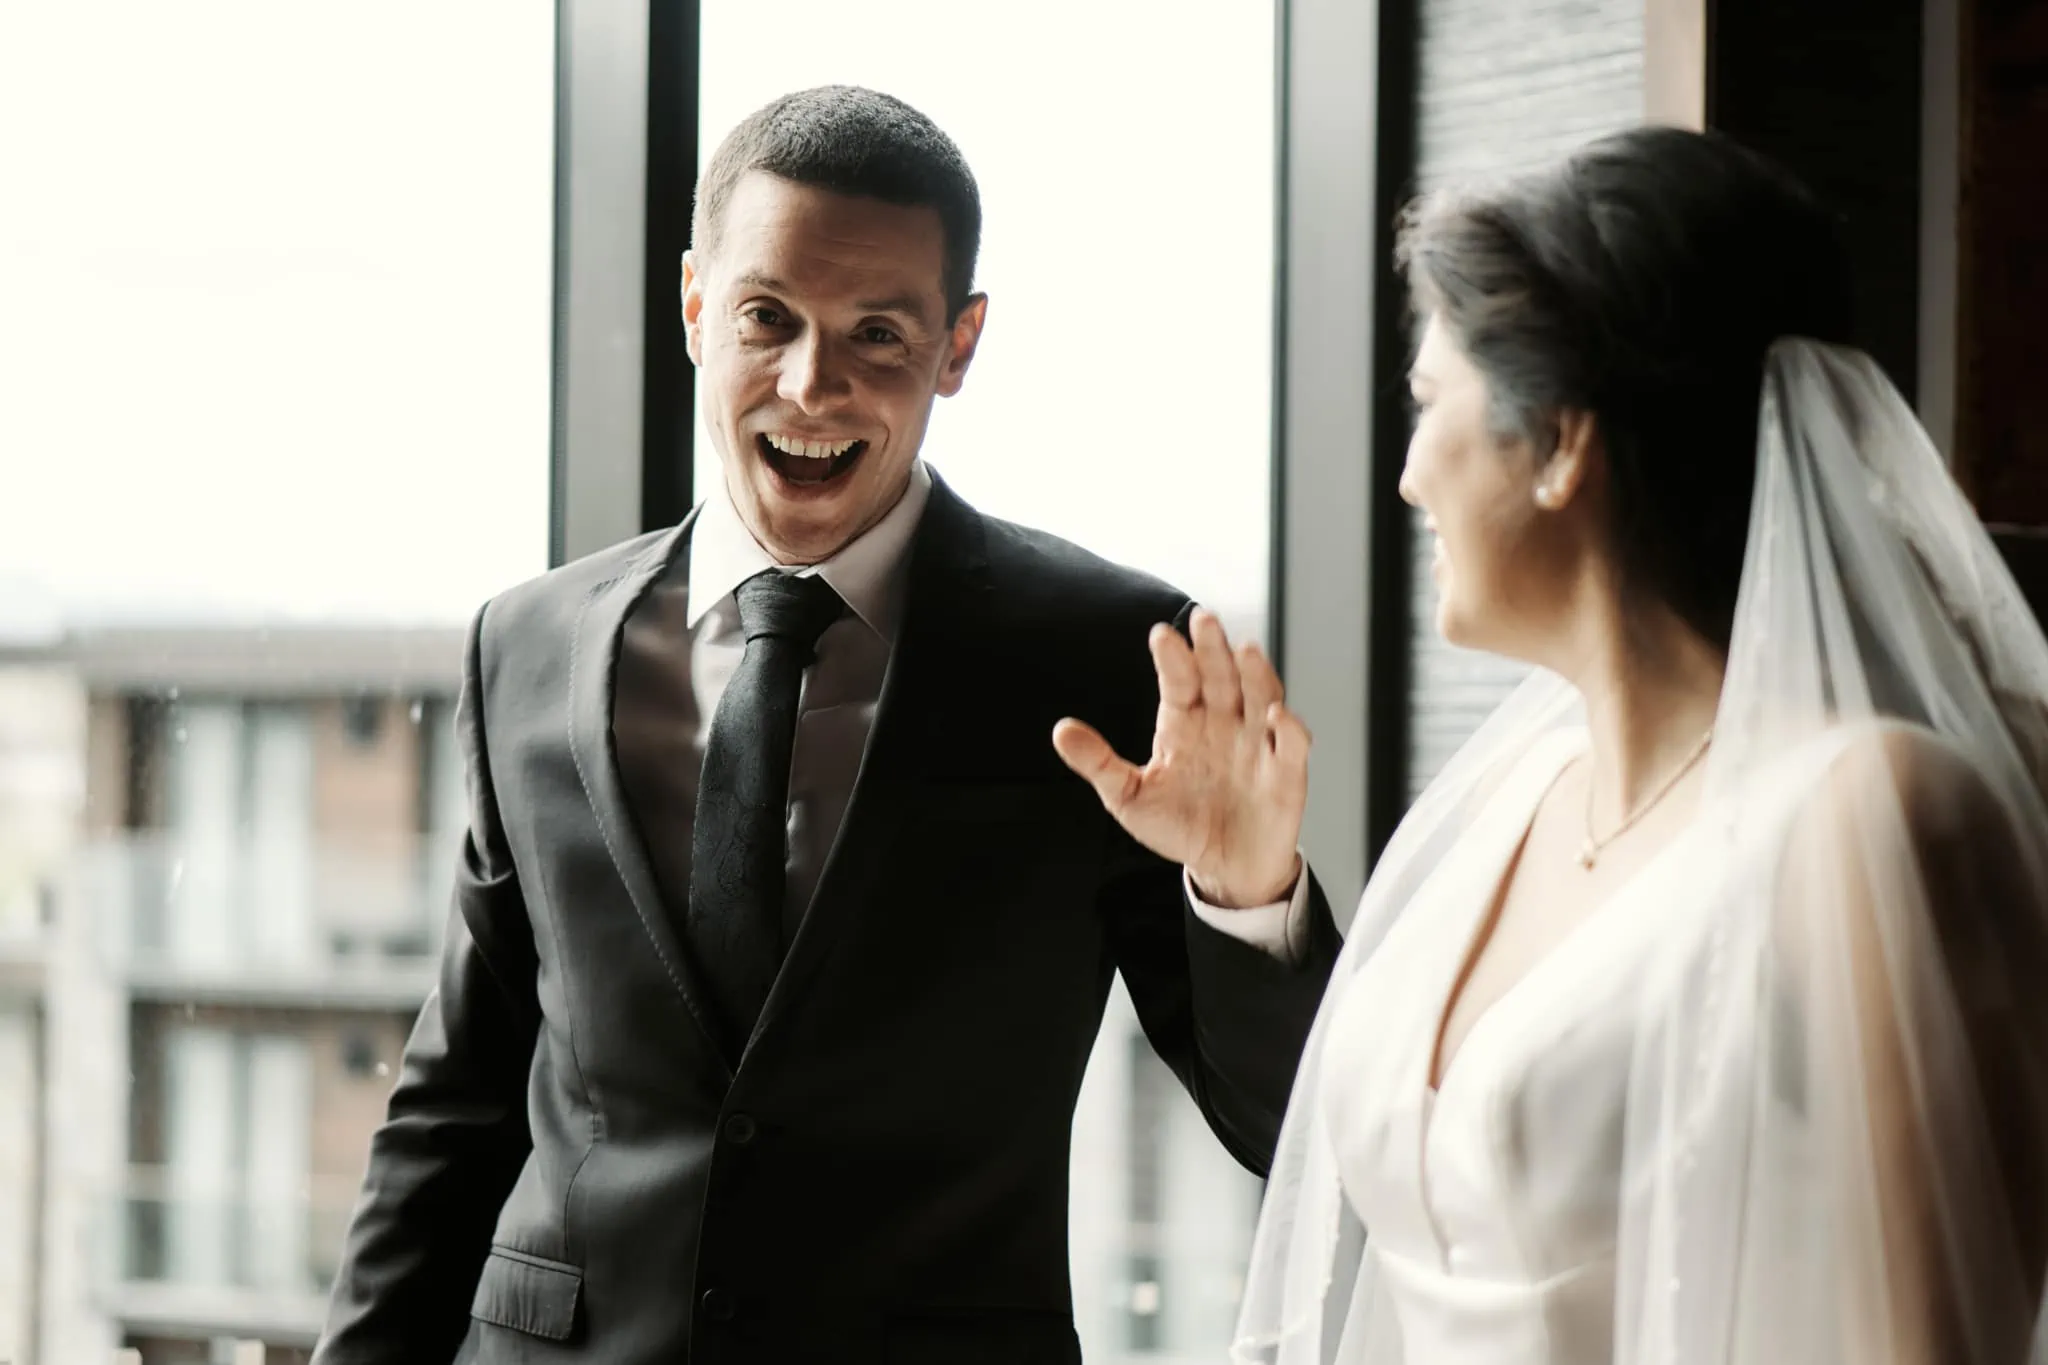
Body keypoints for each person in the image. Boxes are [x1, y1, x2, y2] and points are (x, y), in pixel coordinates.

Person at [312, 86, 1341, 1364]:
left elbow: (1292, 1130)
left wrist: (1244, 892)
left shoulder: (1109, 660)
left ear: (958, 346)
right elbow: (458, 1110)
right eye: (766, 319)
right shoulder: (525, 646)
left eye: (878, 334)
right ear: (695, 307)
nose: (812, 383)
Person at [1086, 125, 2048, 1364]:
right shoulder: (1516, 795)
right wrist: (1246, 885)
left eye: (1430, 406)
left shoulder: (1867, 811)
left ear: (1561, 444)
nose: (1406, 481)